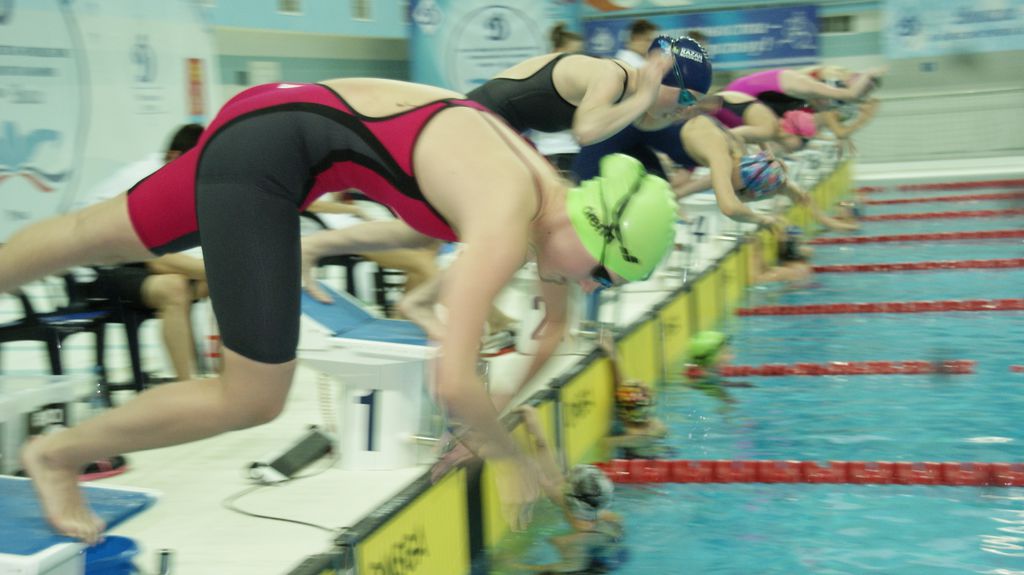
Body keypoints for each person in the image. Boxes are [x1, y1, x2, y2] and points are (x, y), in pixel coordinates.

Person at [2, 79, 679, 544]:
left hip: (273, 124)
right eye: (603, 272)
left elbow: (540, 316)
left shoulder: (542, 197)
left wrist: (322, 244)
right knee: (254, 394)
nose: (590, 285)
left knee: (91, 235)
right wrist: (508, 459)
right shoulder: (508, 211)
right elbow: (452, 382)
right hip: (269, 157)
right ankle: (58, 455)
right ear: (593, 230)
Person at [575, 113, 858, 233]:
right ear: (745, 188)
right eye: (741, 194)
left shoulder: (743, 155)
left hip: (639, 139)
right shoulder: (721, 154)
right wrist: (763, 218)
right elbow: (729, 207)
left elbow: (798, 194)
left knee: (656, 201)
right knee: (578, 196)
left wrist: (829, 222)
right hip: (615, 131)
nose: (733, 193)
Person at [77, 124, 209, 382]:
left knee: (212, 283)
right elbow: (159, 261)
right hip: (94, 274)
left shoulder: (171, 175)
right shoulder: (148, 180)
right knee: (175, 287)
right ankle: (186, 384)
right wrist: (216, 273)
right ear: (176, 156)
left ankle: (224, 377)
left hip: (129, 260)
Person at [514, 406, 627, 574]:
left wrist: (510, 564)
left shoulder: (573, 543)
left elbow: (549, 571)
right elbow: (553, 476)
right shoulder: (602, 514)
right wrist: (535, 427)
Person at [599, 333, 668, 459]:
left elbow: (605, 444)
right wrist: (614, 356)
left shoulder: (630, 436)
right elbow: (623, 389)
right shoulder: (657, 426)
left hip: (635, 462)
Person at [725, 66, 884, 120]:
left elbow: (822, 107)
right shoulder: (804, 83)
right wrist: (868, 74)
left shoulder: (802, 98)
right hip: (742, 93)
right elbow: (850, 95)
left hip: (765, 97)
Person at [712, 90, 818, 153]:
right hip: (711, 107)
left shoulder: (771, 124)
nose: (801, 148)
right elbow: (730, 135)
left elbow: (757, 135)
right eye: (803, 141)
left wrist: (768, 156)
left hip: (719, 103)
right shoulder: (768, 130)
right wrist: (744, 159)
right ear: (792, 133)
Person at [682, 331, 752, 413]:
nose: (732, 357)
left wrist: (737, 385)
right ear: (710, 358)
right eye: (726, 353)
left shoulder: (705, 377)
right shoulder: (707, 388)